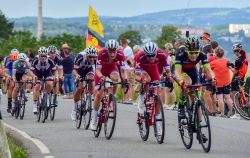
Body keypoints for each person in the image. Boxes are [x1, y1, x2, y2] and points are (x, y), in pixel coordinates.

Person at [90, 40, 128, 131]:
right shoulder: (101, 53)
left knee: (116, 78)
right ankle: (94, 119)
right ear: (107, 50)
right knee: (98, 94)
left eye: (114, 52)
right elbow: (97, 70)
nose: (112, 54)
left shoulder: (120, 54)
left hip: (112, 68)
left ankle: (112, 97)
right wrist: (101, 77)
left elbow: (123, 71)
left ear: (117, 50)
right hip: (101, 71)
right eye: (110, 52)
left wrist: (126, 80)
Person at [174, 37, 216, 119]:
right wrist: (181, 82)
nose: (194, 55)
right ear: (186, 50)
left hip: (192, 71)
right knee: (187, 82)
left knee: (197, 99)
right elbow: (177, 73)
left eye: (196, 52)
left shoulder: (202, 54)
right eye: (191, 53)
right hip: (180, 70)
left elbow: (208, 70)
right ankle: (181, 106)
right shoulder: (180, 53)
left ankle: (198, 125)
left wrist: (213, 78)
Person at [135, 42, 171, 135]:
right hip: (143, 69)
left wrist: (169, 79)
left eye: (153, 55)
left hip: (153, 68)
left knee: (158, 92)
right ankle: (141, 100)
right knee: (147, 80)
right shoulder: (140, 56)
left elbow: (168, 71)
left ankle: (157, 122)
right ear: (145, 54)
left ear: (156, 53)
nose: (151, 57)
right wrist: (141, 80)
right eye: (149, 56)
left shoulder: (162, 54)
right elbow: (136, 76)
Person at [71, 46, 97, 121]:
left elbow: (97, 69)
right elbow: (74, 71)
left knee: (91, 81)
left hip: (88, 70)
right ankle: (74, 108)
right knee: (80, 88)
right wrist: (77, 76)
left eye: (93, 57)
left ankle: (90, 98)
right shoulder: (80, 56)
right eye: (90, 57)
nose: (92, 59)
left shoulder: (96, 58)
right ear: (86, 55)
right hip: (79, 71)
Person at [29, 47, 57, 114]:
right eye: (42, 56)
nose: (43, 57)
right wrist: (33, 76)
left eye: (45, 56)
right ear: (39, 55)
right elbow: (31, 71)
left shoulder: (49, 59)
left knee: (50, 84)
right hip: (38, 73)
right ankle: (35, 106)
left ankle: (47, 97)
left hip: (47, 72)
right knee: (37, 86)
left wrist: (56, 77)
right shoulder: (36, 59)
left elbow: (55, 70)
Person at [210, 47, 233, 117]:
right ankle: (231, 112)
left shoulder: (213, 63)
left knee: (220, 98)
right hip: (227, 82)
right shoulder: (226, 61)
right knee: (227, 98)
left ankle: (222, 113)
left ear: (216, 54)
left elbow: (206, 70)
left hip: (218, 83)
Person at [228, 43, 248, 119]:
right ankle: (239, 112)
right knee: (236, 96)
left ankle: (237, 114)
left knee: (234, 97)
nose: (233, 53)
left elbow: (235, 71)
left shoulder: (238, 60)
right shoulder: (245, 58)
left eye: (234, 51)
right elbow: (239, 68)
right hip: (242, 77)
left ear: (236, 51)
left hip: (236, 78)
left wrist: (229, 67)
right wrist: (232, 65)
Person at [120, 38, 134, 104]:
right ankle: (128, 98)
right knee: (128, 84)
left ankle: (130, 99)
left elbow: (123, 58)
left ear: (122, 42)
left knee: (130, 84)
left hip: (129, 68)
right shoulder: (126, 49)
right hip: (127, 68)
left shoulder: (127, 49)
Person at [163, 43, 177, 110]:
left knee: (171, 89)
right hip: (167, 73)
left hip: (170, 74)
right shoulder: (168, 56)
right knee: (166, 89)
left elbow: (172, 65)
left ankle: (174, 104)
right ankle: (166, 103)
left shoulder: (172, 56)